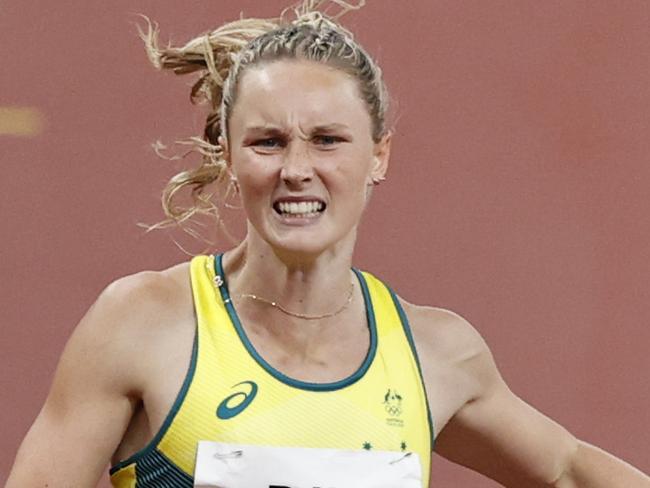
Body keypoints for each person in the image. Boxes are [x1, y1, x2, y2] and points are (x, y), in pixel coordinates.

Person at [6, 1, 650, 487]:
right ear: (227, 154)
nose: (296, 169)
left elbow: (566, 468)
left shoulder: (437, 355)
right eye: (268, 142)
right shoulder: (143, 324)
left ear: (379, 155)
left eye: (327, 139)